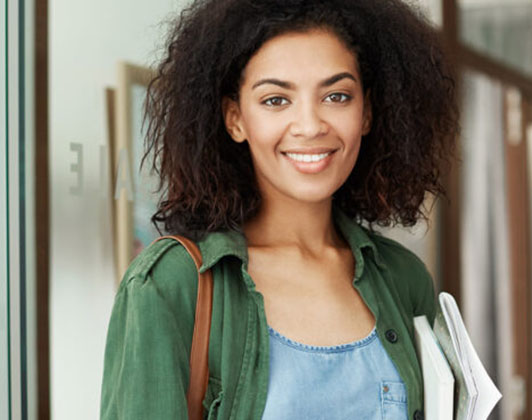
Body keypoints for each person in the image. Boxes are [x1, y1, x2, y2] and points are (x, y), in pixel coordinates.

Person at [100, 0, 459, 418]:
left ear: (367, 113)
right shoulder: (171, 284)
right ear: (235, 119)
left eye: (337, 96)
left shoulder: (404, 279)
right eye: (275, 100)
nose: (310, 125)